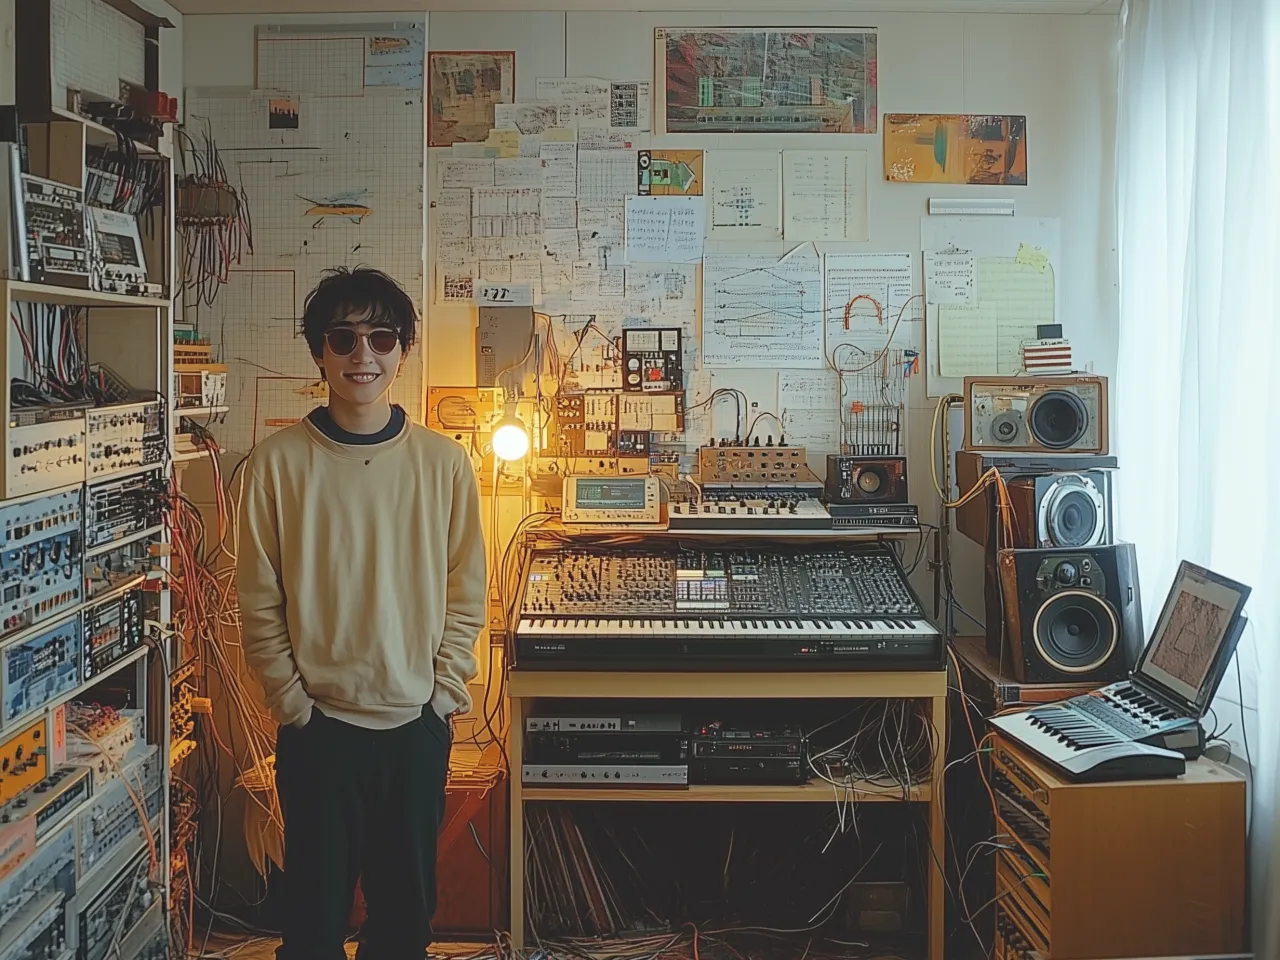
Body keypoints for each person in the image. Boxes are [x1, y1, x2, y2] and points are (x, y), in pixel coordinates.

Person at [236, 267, 486, 960]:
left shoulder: (444, 464)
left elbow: (467, 593)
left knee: (405, 927)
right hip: (319, 734)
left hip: (415, 729)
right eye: (343, 338)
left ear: (402, 348)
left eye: (380, 336)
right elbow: (257, 601)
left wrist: (443, 694)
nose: (362, 355)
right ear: (319, 351)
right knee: (312, 928)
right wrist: (291, 703)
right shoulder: (274, 465)